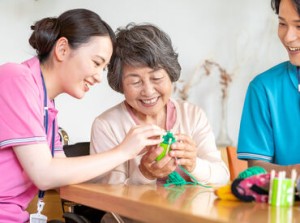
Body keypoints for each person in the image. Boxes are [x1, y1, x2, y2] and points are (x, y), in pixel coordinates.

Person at [0, 9, 164, 223]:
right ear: (62, 49)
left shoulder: (47, 107)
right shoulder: (15, 78)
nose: (98, 77)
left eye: (103, 69)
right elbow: (44, 173)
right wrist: (124, 151)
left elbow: (59, 172)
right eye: (96, 63)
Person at [90, 23, 229, 187]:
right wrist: (144, 174)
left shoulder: (192, 115)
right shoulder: (107, 125)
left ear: (170, 75)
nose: (148, 91)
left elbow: (222, 176)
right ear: (120, 84)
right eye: (135, 82)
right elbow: (107, 194)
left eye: (156, 78)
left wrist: (194, 164)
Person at [237, 0, 300, 176]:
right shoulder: (264, 88)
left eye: (299, 26)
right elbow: (257, 169)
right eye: (282, 24)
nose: (288, 37)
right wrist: (294, 172)